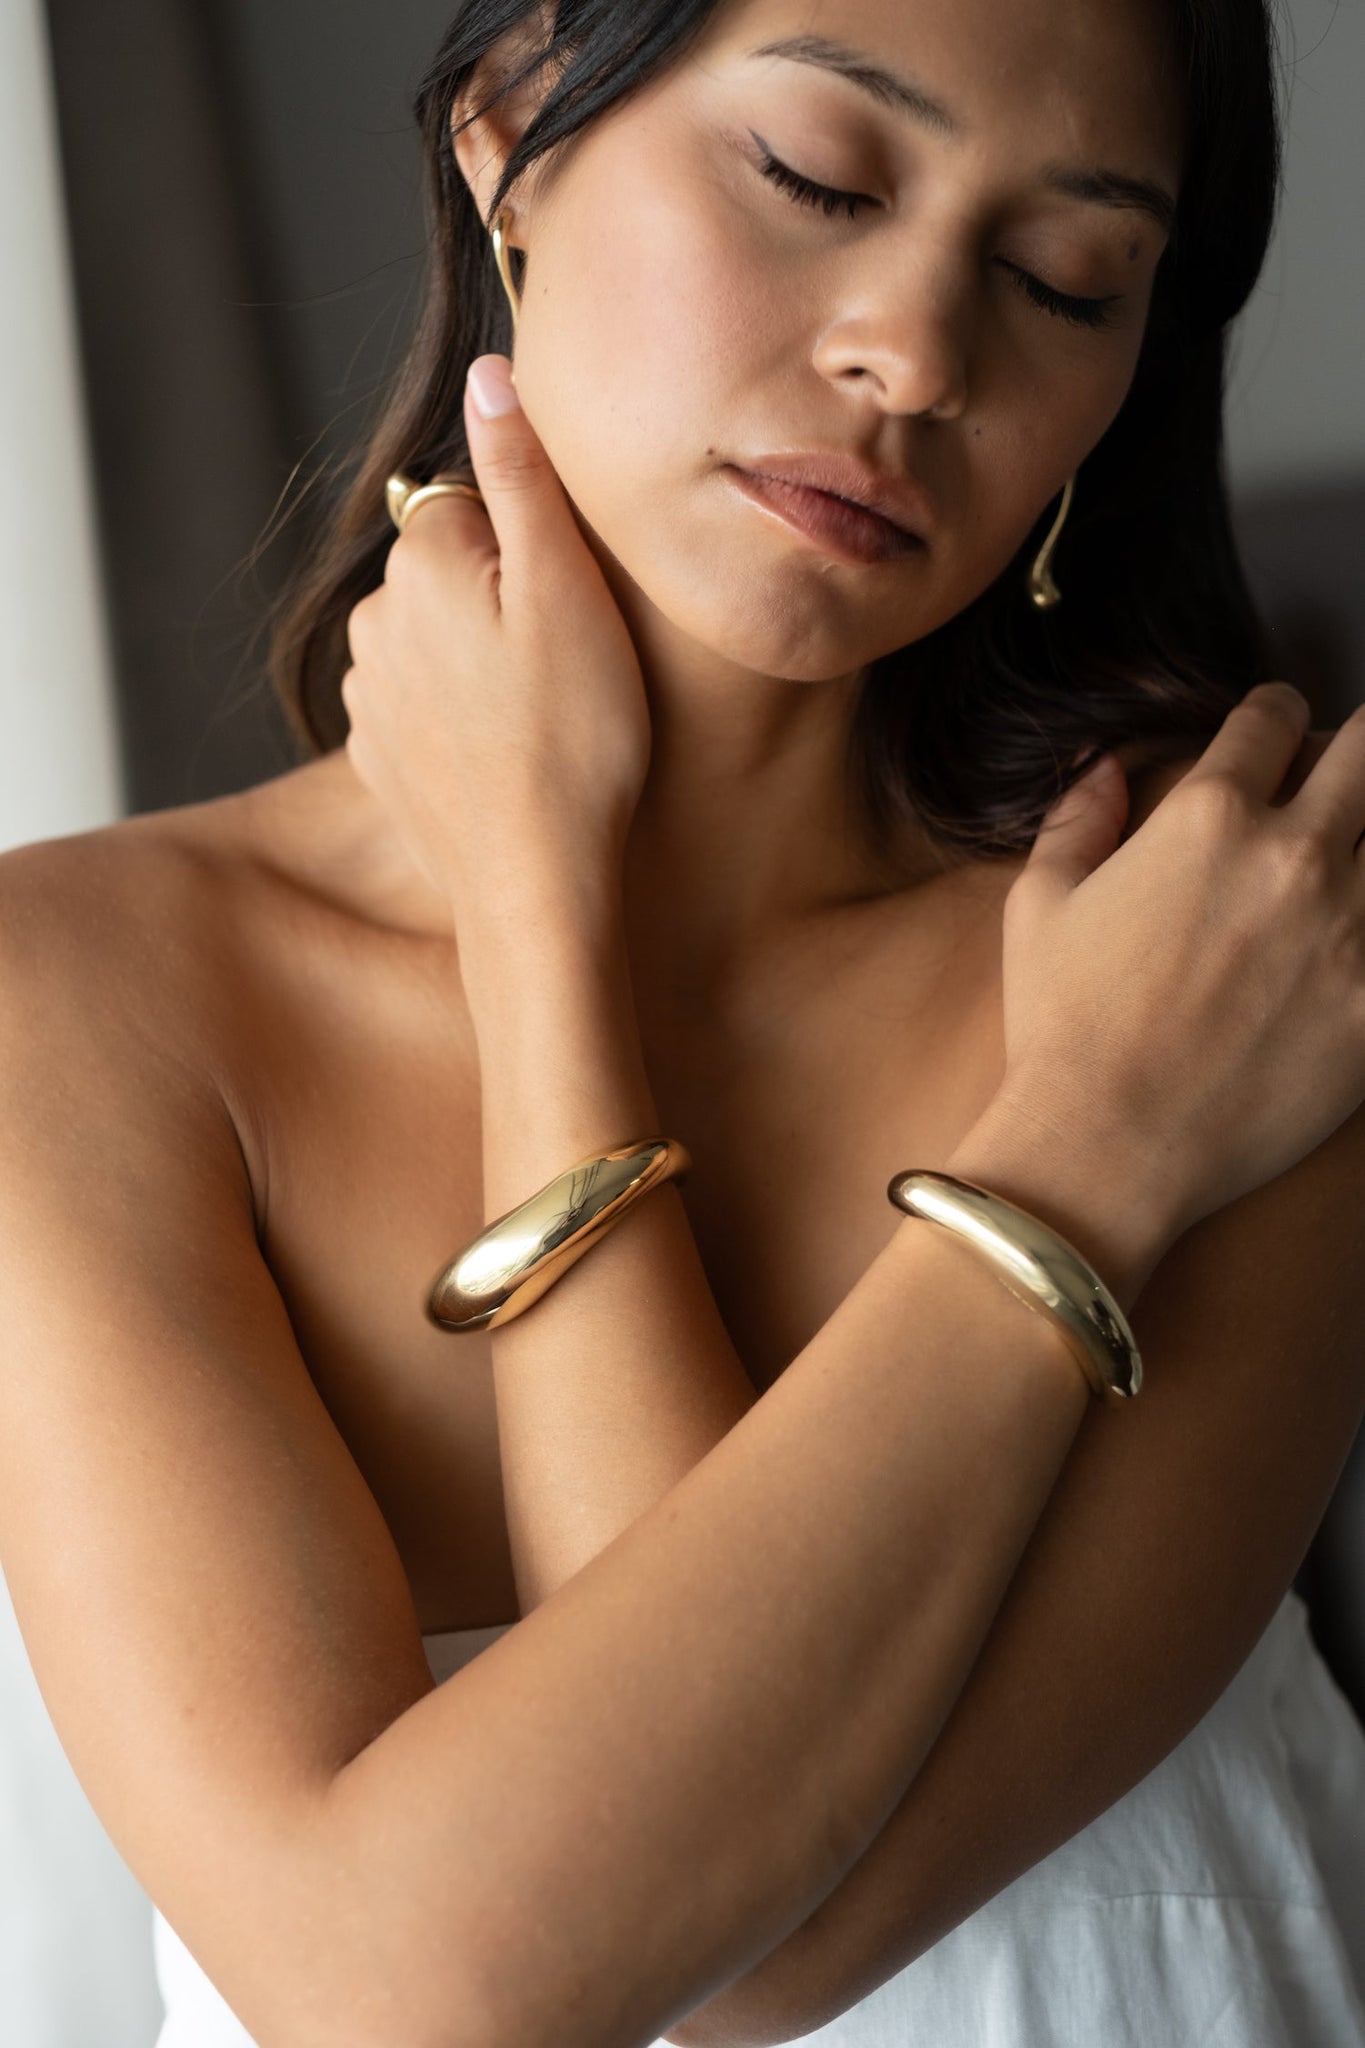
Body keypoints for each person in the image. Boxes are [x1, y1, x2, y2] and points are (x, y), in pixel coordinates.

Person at [2, 0, 1364, 2044]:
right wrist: (1084, 1151)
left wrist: (534, 914)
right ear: (508, 132)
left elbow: (742, 1957)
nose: (914, 356)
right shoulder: (77, 999)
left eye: (1063, 277)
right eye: (816, 176)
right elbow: (424, 1992)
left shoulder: (1229, 964)